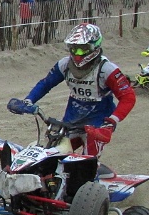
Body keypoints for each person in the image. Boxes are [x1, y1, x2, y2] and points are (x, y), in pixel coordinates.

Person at [7, 22, 135, 158]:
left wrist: (112, 121)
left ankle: (93, 178)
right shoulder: (64, 64)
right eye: (74, 49)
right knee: (52, 157)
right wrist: (28, 100)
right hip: (70, 121)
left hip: (98, 124)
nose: (77, 54)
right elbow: (46, 83)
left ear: (95, 47)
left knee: (88, 163)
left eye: (82, 49)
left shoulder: (107, 69)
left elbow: (128, 97)